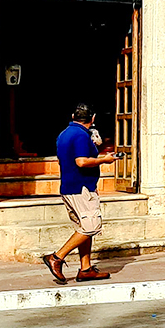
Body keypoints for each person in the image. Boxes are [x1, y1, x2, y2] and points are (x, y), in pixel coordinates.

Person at [42, 104, 118, 284]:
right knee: (92, 226)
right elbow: (82, 162)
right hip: (81, 188)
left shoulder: (64, 134)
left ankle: (86, 268)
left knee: (83, 227)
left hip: (69, 187)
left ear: (73, 116)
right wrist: (104, 160)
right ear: (93, 118)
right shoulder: (81, 135)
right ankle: (56, 257)